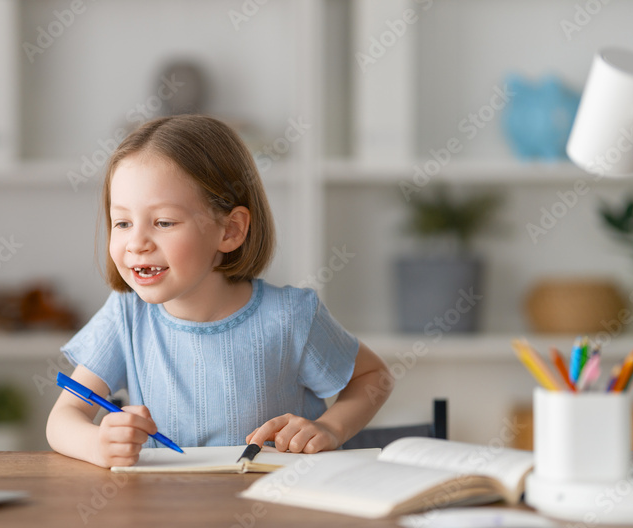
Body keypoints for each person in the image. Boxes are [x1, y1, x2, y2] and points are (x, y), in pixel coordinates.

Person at [46, 115, 392, 468]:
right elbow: (64, 417)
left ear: (230, 230)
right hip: (162, 515)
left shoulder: (291, 316)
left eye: (163, 222)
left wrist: (330, 428)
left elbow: (373, 377)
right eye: (122, 223)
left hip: (273, 510)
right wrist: (98, 444)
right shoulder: (125, 314)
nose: (136, 243)